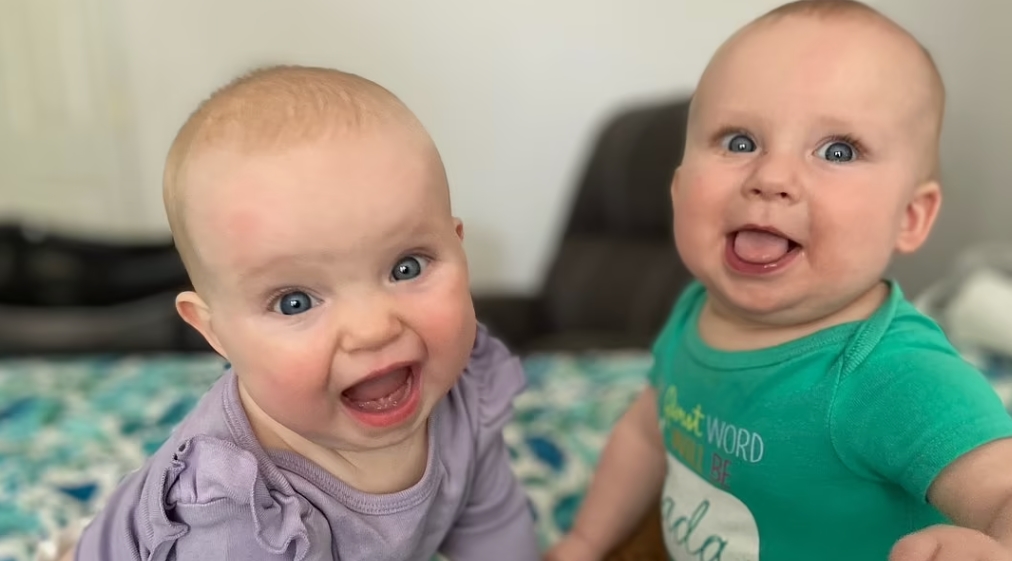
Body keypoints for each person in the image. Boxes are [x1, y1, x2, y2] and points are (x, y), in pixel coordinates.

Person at [546, 2, 1012, 560]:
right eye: (739, 142)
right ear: (678, 189)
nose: (771, 177)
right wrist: (584, 541)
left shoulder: (894, 375)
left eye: (838, 150)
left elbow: (1001, 491)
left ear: (909, 217)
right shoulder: (695, 309)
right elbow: (648, 431)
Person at [69, 65, 538, 561]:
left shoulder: (465, 397)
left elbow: (493, 522)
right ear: (215, 332)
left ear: (458, 249)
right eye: (295, 301)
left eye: (406, 267)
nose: (373, 329)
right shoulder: (236, 516)